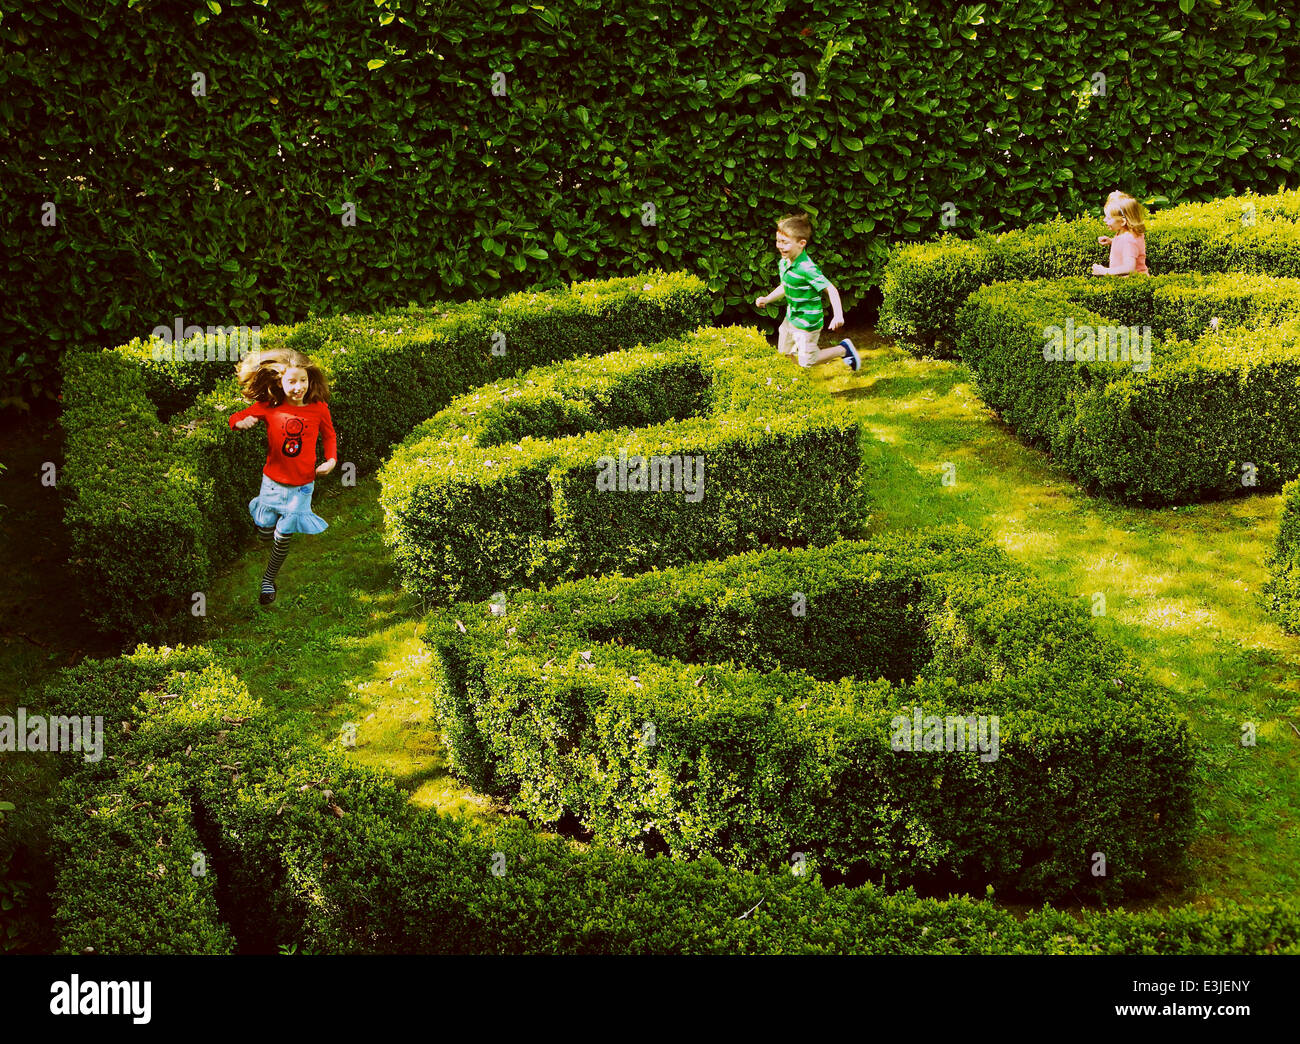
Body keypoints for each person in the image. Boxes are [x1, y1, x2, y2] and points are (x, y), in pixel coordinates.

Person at [229, 348, 337, 604]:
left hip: (302, 487)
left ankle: (268, 581)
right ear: (280, 381)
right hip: (272, 484)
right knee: (265, 528)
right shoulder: (269, 407)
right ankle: (264, 521)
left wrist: (331, 459)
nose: (298, 387)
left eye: (303, 380)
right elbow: (236, 417)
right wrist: (239, 423)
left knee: (283, 534)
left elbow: (329, 436)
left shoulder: (319, 408)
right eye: (292, 381)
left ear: (310, 379)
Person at [755, 212, 860, 370]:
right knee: (784, 352)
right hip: (792, 316)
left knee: (807, 361)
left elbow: (830, 289)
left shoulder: (807, 268)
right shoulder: (784, 263)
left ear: (801, 243)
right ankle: (793, 381)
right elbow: (786, 285)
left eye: (784, 242)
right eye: (778, 241)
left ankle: (843, 349)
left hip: (807, 322)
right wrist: (768, 299)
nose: (779, 246)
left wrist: (838, 315)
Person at [1092, 191, 1150, 276]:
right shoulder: (1127, 233)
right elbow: (1132, 246)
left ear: (1122, 222)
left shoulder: (1128, 240)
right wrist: (1112, 241)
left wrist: (1104, 271)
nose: (1104, 220)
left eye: (1108, 218)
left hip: (1132, 284)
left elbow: (1129, 268)